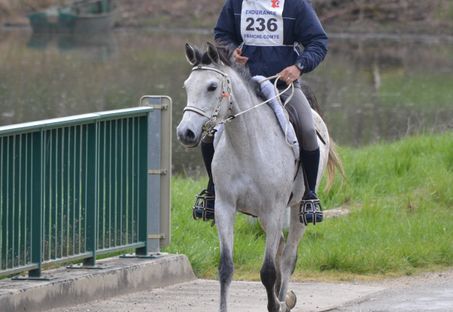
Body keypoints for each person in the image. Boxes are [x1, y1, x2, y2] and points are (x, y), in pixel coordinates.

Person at [192, 0, 328, 225]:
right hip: (242, 88)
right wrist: (231, 52)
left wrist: (298, 67)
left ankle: (309, 196)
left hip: (281, 86)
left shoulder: (295, 5)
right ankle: (212, 191)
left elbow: (318, 41)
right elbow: (222, 34)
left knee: (306, 128)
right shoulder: (237, 3)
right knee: (209, 133)